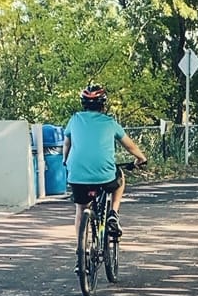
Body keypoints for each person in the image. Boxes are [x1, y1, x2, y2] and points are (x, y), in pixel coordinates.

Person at [63, 84, 148, 239]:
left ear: (84, 105)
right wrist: (141, 159)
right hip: (105, 176)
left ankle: (81, 252)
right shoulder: (110, 122)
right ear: (103, 105)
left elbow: (67, 144)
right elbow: (129, 145)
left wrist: (64, 160)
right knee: (120, 177)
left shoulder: (74, 120)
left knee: (80, 209)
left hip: (76, 175)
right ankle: (113, 214)